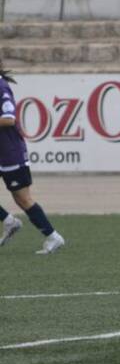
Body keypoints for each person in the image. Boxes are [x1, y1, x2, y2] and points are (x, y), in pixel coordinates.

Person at [0, 60, 65, 254]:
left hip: (10, 154)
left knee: (23, 199)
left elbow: (9, 118)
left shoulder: (1, 86)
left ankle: (53, 237)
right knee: (22, 198)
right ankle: (9, 221)